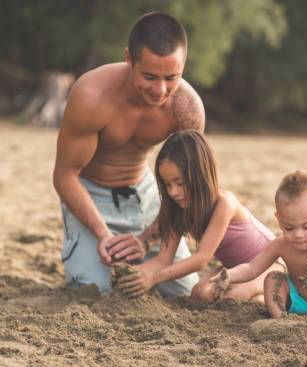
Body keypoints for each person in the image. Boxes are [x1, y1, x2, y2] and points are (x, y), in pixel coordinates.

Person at [53, 13, 204, 296]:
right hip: (89, 192)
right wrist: (102, 234)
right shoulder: (91, 95)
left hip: (145, 193)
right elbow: (64, 176)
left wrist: (147, 241)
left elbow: (191, 187)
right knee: (95, 291)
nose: (160, 90)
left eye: (171, 77)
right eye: (149, 76)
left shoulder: (187, 108)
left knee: (185, 294)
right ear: (129, 59)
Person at [116, 130, 284, 300]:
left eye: (180, 183)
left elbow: (201, 259)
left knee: (233, 297)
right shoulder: (179, 208)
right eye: (167, 184)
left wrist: (153, 278)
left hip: (269, 265)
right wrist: (129, 274)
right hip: (235, 270)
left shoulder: (225, 203)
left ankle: (273, 295)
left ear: (200, 176)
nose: (173, 192)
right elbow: (163, 260)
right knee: (200, 293)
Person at [210, 171, 307, 326]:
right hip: (295, 298)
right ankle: (281, 319)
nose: (298, 235)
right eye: (289, 228)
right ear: (278, 219)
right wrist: (229, 275)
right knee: (273, 277)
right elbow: (252, 268)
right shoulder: (281, 244)